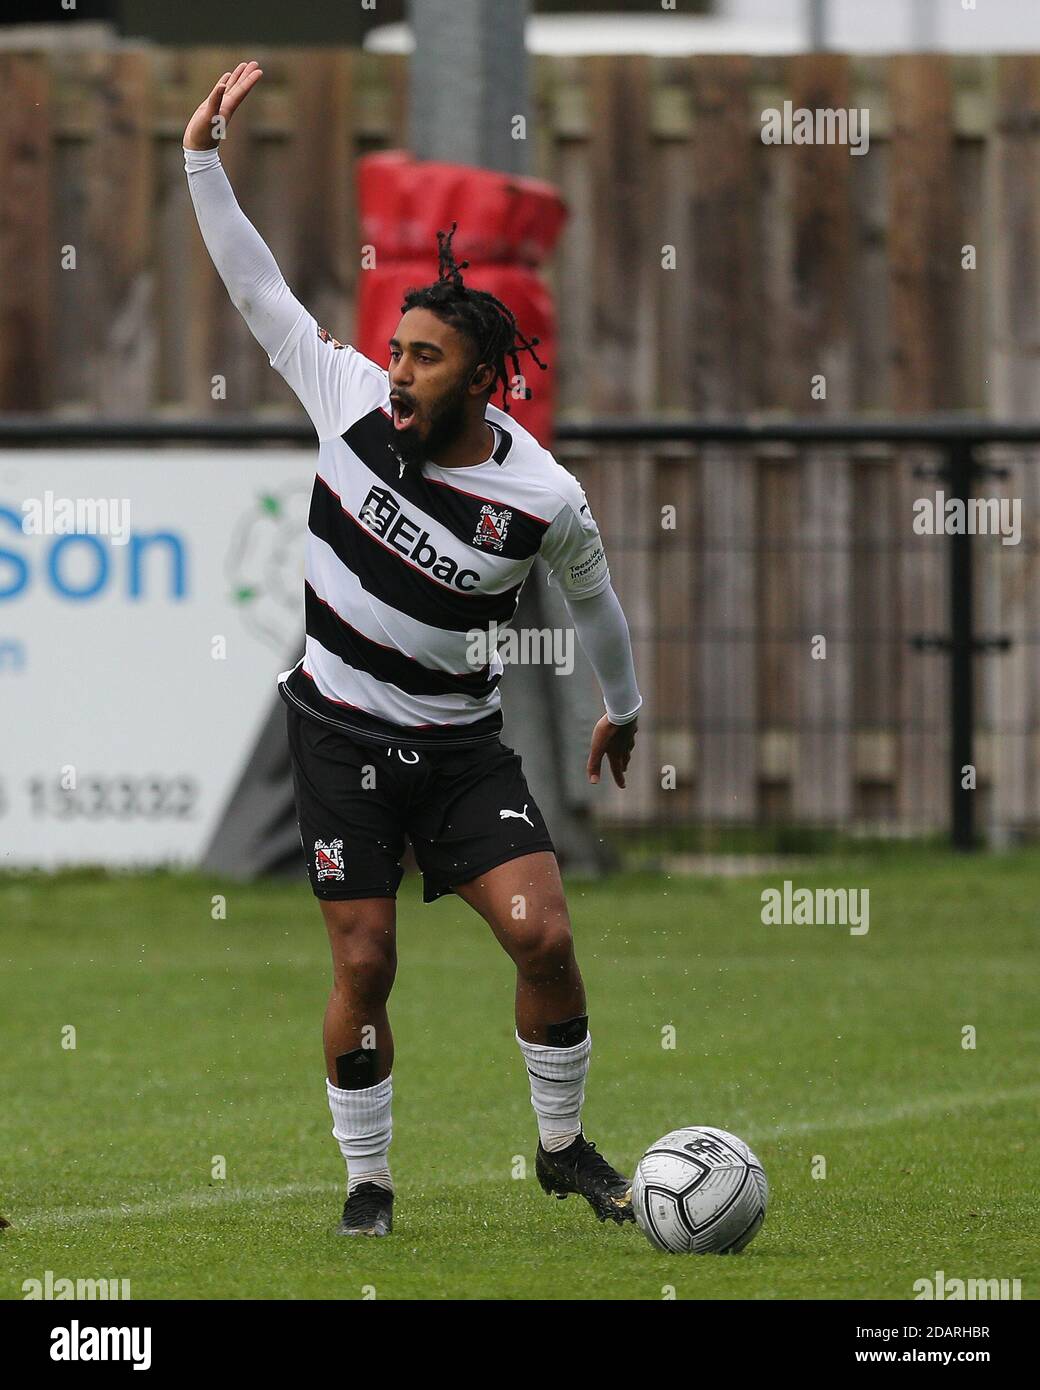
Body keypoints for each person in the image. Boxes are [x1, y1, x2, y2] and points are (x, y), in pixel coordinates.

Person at [184, 62, 643, 1237]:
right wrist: (201, 161)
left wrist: (620, 704)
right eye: (395, 349)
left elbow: (595, 607)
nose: (395, 369)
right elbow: (257, 290)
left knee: (543, 935)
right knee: (367, 963)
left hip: (458, 743)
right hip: (338, 732)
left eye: (424, 359)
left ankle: (560, 1149)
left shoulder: (541, 496)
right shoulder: (342, 398)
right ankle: (369, 1183)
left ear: (483, 378)